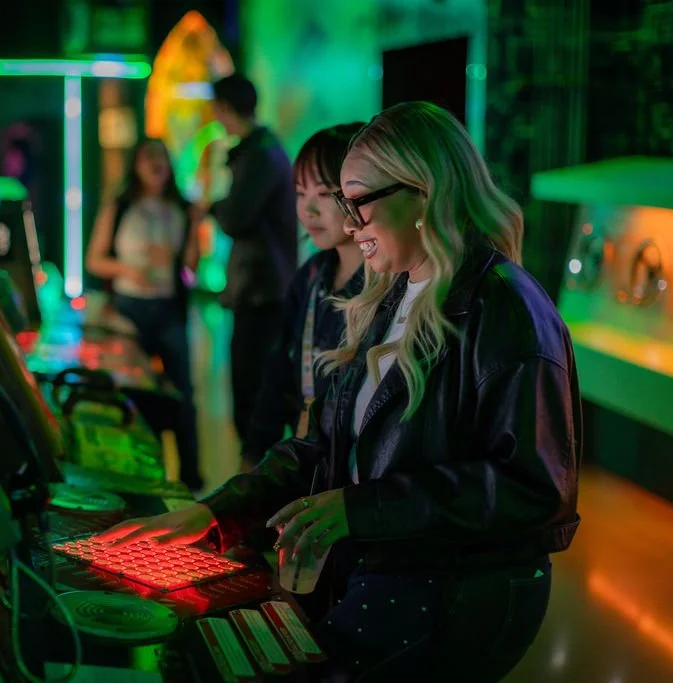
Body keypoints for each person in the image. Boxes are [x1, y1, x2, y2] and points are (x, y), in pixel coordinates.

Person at [96, 102, 582, 681]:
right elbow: (320, 447)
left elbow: (533, 489)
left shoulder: (506, 306)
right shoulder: (394, 291)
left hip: (461, 590)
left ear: (423, 192)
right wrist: (214, 512)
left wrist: (359, 508)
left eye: (356, 202)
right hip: (390, 570)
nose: (349, 225)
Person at [241, 123, 366, 471]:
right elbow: (279, 371)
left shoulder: (389, 285)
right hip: (311, 461)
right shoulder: (311, 276)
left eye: (325, 193)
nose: (308, 210)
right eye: (299, 192)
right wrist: (253, 455)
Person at [85, 138, 203, 491]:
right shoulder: (121, 206)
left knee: (182, 392)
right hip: (129, 309)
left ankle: (191, 479)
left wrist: (194, 229)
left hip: (168, 308)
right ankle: (140, 476)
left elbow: (190, 267)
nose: (156, 165)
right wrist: (128, 270)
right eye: (148, 158)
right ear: (135, 165)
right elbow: (94, 260)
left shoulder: (180, 208)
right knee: (134, 393)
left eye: (162, 158)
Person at [199, 73, 298, 450]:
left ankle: (256, 472)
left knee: (253, 392)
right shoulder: (265, 149)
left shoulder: (259, 154)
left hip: (262, 289)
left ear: (225, 107)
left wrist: (212, 206)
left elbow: (235, 218)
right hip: (264, 286)